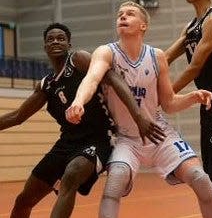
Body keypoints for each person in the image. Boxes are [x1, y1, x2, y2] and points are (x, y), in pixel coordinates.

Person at [66, 1, 212, 218]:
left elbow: (168, 103)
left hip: (159, 134)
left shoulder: (156, 56)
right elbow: (92, 79)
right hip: (127, 138)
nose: (123, 17)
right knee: (114, 184)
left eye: (130, 14)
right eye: (120, 14)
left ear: (143, 26)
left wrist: (192, 98)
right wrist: (78, 101)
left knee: (201, 179)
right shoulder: (106, 52)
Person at [0, 22, 165, 218]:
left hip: (100, 138)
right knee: (23, 200)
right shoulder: (47, 84)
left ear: (69, 44)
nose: (55, 41)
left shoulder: (78, 59)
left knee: (71, 176)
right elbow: (17, 116)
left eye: (61, 38)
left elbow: (113, 78)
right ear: (45, 47)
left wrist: (138, 116)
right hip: (67, 143)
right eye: (50, 39)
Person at [165, 0, 212, 218]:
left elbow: (194, 67)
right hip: (211, 106)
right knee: (211, 176)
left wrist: (166, 96)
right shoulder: (192, 25)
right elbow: (166, 57)